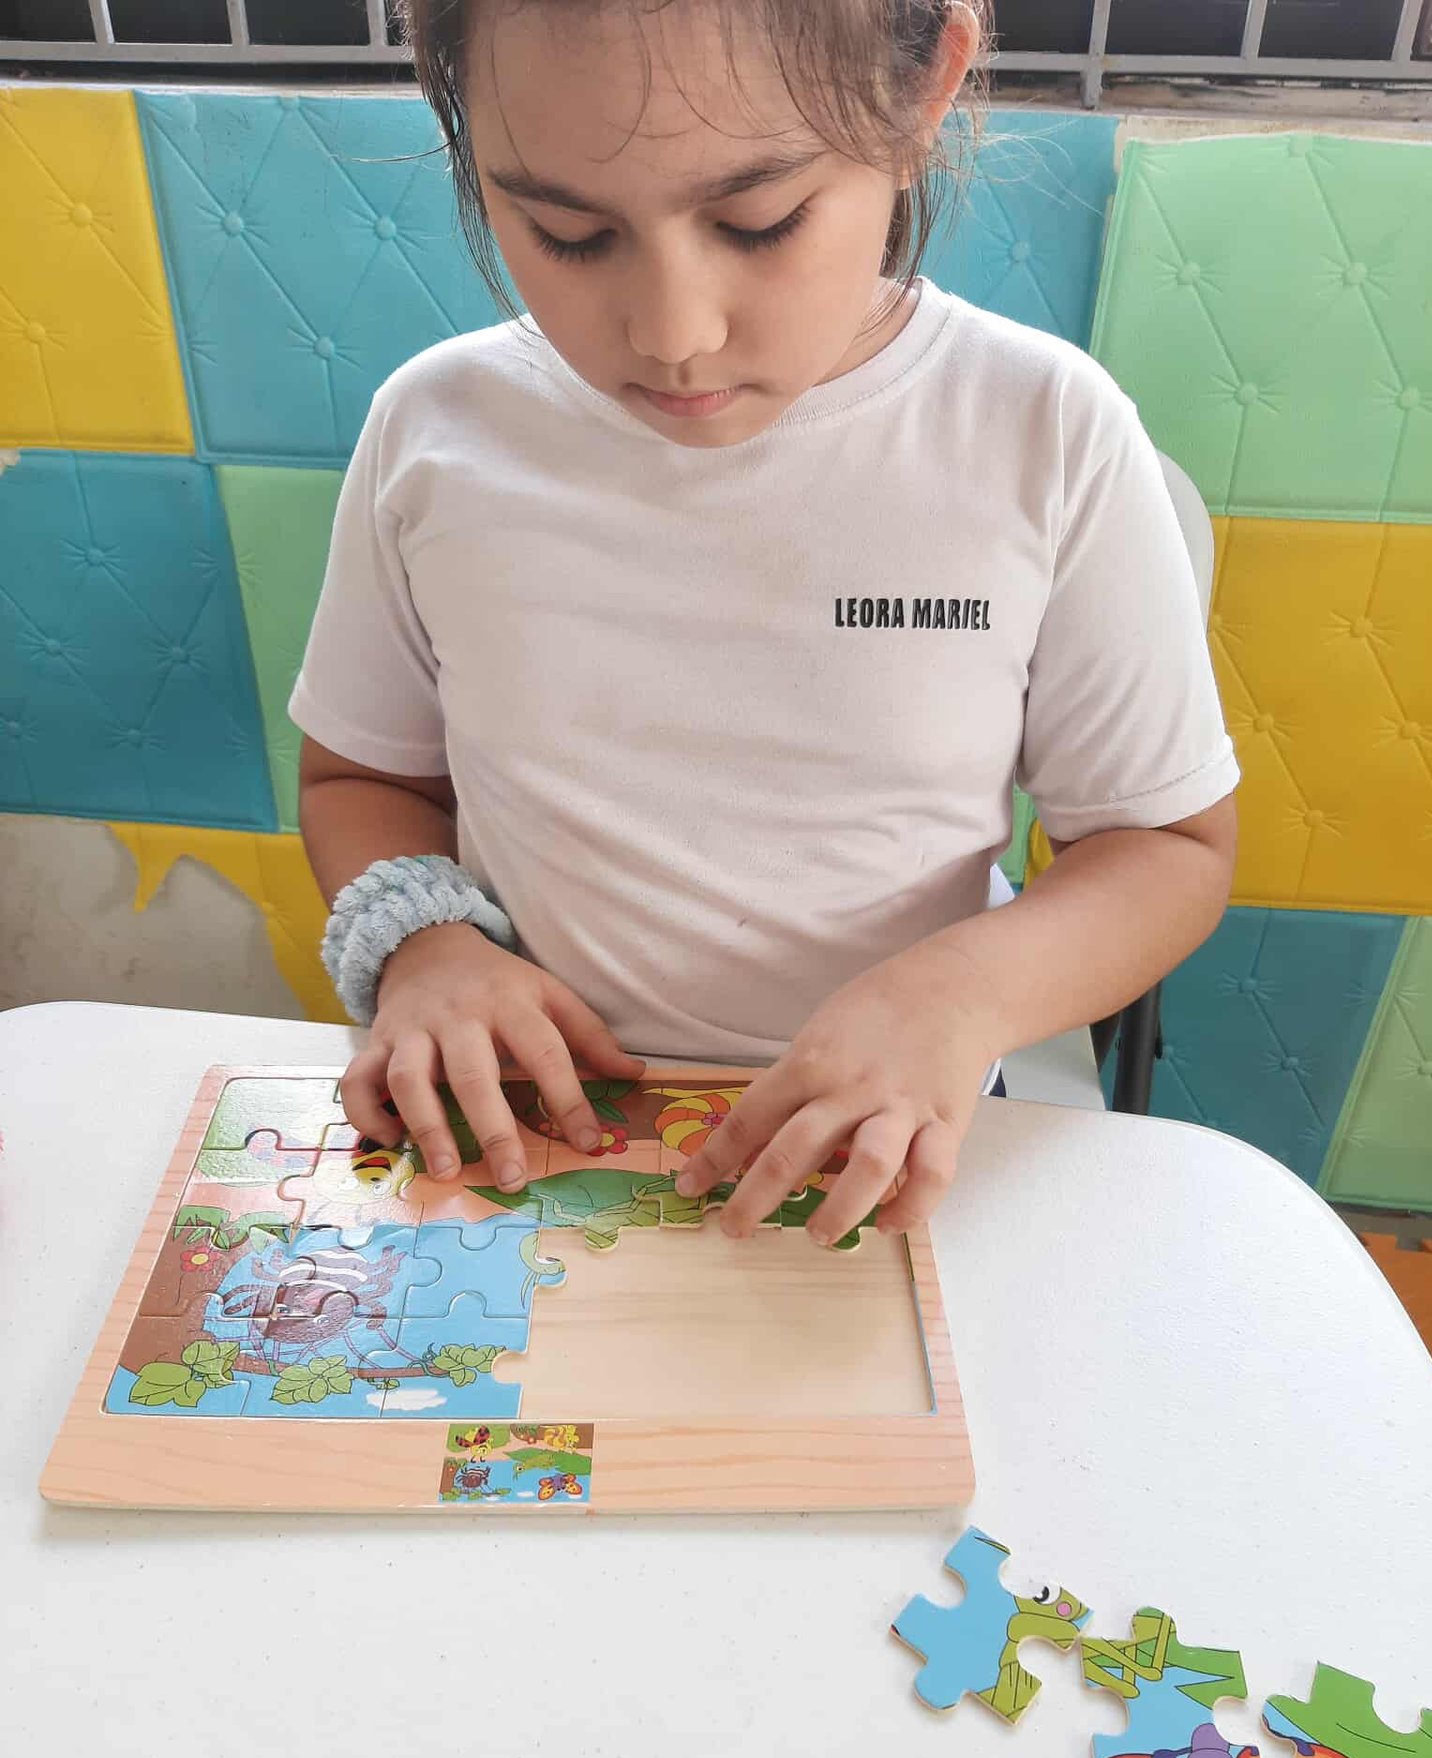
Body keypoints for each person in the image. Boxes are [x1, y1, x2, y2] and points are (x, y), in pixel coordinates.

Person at [290, 0, 1238, 1250]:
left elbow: (1166, 847)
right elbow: (362, 777)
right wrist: (425, 947)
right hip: (532, 1142)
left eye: (759, 221)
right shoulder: (437, 434)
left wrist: (959, 998)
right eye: (568, 233)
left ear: (924, 91)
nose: (673, 334)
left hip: (892, 1146)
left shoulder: (1042, 432)